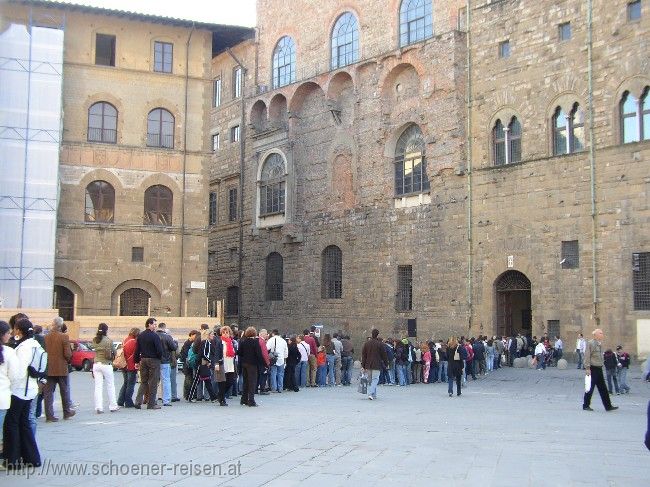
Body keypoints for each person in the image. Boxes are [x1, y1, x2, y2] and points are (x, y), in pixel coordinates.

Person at [3, 319, 41, 469]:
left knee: (12, 424)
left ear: (18, 331)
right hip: (31, 389)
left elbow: (18, 372)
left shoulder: (22, 347)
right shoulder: (35, 344)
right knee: (24, 423)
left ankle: (13, 459)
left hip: (19, 390)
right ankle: (31, 457)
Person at [43, 316, 75, 422]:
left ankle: (49, 415)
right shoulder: (64, 337)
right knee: (64, 391)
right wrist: (68, 359)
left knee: (48, 393)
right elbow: (67, 354)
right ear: (61, 325)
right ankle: (66, 412)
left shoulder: (46, 337)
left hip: (49, 368)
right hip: (61, 368)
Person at [583, 328, 618, 412]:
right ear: (595, 335)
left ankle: (608, 406)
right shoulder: (591, 343)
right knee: (590, 387)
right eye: (600, 333)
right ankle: (586, 405)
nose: (602, 334)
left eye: (602, 333)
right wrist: (587, 368)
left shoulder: (599, 344)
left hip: (599, 368)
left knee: (603, 388)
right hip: (593, 368)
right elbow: (587, 355)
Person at [0, 321, 20, 462]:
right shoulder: (9, 352)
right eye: (8, 333)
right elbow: (15, 376)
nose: (10, 335)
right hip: (2, 397)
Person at [88, 323, 119, 414]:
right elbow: (115, 352)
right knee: (110, 385)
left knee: (98, 386)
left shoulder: (95, 340)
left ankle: (98, 407)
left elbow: (92, 347)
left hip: (96, 364)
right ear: (106, 330)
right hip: (106, 364)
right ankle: (113, 406)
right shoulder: (108, 340)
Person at [134, 317, 163, 410]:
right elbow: (159, 350)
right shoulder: (155, 336)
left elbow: (137, 350)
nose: (155, 326)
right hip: (153, 360)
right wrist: (159, 358)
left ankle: (138, 402)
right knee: (153, 382)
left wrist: (136, 361)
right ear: (149, 324)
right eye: (154, 324)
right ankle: (151, 404)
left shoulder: (140, 335)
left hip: (143, 360)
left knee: (143, 382)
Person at [237, 327, 264, 407]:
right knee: (252, 382)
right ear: (254, 333)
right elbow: (259, 354)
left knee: (246, 382)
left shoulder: (243, 341)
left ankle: (243, 399)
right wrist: (263, 363)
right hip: (252, 365)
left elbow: (239, 352)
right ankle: (251, 401)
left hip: (244, 364)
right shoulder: (255, 342)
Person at [188, 329, 218, 403]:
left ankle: (213, 397)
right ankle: (191, 397)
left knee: (207, 380)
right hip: (201, 364)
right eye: (212, 334)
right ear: (208, 335)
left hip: (203, 363)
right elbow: (204, 354)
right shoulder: (205, 342)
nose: (213, 336)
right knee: (197, 380)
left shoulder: (207, 342)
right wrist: (209, 361)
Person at [361, 329, 388, 400]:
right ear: (378, 335)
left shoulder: (366, 343)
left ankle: (373, 395)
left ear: (371, 334)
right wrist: (386, 363)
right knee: (375, 379)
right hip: (377, 364)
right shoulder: (380, 344)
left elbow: (364, 355)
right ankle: (370, 393)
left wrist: (363, 365)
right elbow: (384, 355)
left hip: (368, 364)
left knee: (370, 381)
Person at [155, 322, 178, 407]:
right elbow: (173, 348)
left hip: (155, 361)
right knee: (166, 381)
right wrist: (175, 342)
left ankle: (154, 399)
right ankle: (166, 400)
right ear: (164, 328)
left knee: (154, 381)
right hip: (165, 361)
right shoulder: (167, 337)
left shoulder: (154, 335)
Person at [117, 328, 139, 408]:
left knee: (125, 383)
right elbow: (136, 354)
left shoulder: (125, 340)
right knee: (131, 384)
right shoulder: (134, 342)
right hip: (131, 365)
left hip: (124, 364)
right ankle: (128, 402)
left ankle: (120, 401)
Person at [216, 325, 237, 406]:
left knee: (230, 381)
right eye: (223, 333)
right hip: (222, 364)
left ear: (229, 333)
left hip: (230, 363)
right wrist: (216, 363)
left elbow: (234, 353)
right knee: (222, 382)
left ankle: (220, 395)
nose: (225, 334)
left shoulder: (231, 342)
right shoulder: (220, 342)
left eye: (227, 332)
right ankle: (222, 400)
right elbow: (217, 353)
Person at [179, 330, 198, 400]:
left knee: (189, 379)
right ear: (191, 335)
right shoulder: (187, 343)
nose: (196, 338)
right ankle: (188, 395)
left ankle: (188, 394)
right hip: (187, 364)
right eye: (195, 336)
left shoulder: (191, 342)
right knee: (188, 380)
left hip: (189, 363)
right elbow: (183, 354)